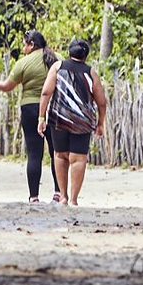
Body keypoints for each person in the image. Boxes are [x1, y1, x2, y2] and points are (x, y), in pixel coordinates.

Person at [0, 29, 60, 203]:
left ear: (31, 44)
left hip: (30, 108)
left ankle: (34, 196)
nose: (23, 48)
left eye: (24, 44)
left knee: (34, 153)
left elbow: (6, 86)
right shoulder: (56, 58)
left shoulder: (23, 63)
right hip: (53, 107)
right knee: (56, 151)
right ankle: (59, 192)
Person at [37, 38, 107, 206]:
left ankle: (63, 197)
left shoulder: (58, 67)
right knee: (79, 158)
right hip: (82, 121)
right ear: (85, 56)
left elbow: (46, 93)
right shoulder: (90, 73)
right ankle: (74, 199)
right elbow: (102, 101)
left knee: (60, 155)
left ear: (69, 52)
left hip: (59, 118)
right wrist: (100, 123)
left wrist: (41, 117)